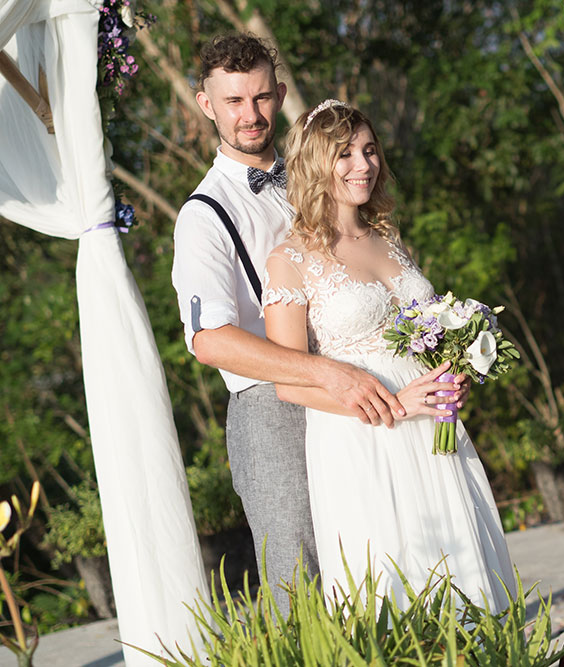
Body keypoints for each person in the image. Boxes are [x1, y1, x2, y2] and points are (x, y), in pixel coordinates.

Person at [171, 34, 462, 612]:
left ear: (279, 95)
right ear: (207, 105)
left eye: (260, 97)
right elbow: (208, 340)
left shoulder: (322, 168)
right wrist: (328, 374)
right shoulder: (202, 216)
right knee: (300, 578)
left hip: (367, 391)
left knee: (382, 558)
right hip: (270, 406)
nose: (249, 115)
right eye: (233, 101)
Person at [262, 99, 515, 609]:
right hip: (364, 436)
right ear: (316, 163)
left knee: (458, 563)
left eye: (370, 150)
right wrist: (397, 404)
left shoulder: (389, 241)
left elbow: (427, 328)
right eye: (346, 154)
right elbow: (288, 382)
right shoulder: (289, 259)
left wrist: (456, 367)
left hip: (433, 427)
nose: (364, 165)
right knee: (396, 576)